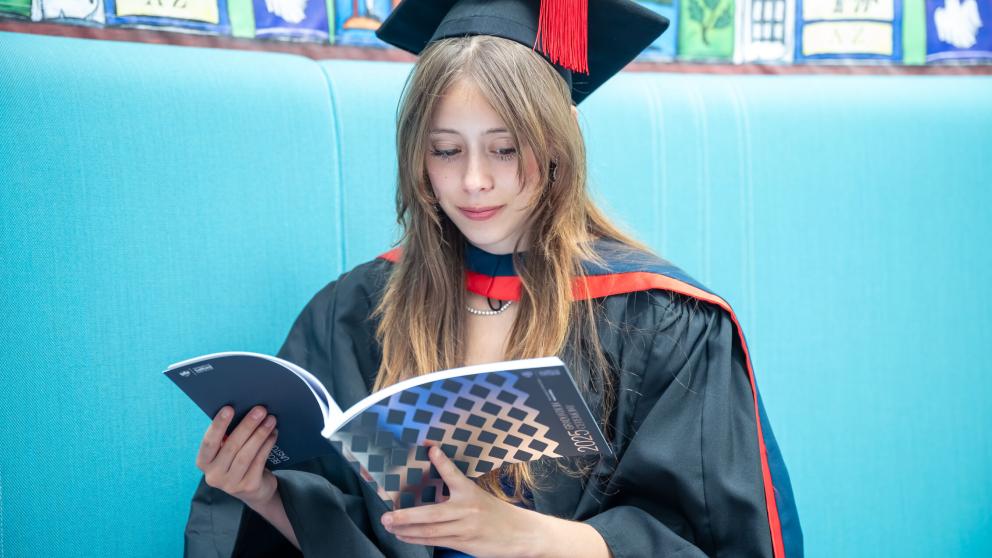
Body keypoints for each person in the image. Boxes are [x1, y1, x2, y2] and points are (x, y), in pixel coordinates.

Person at [183, 0, 803, 556]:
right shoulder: (357, 310)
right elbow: (336, 532)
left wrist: (521, 536)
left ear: (557, 146)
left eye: (505, 149)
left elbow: (719, 540)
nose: (474, 181)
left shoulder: (658, 320)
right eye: (446, 150)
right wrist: (262, 494)